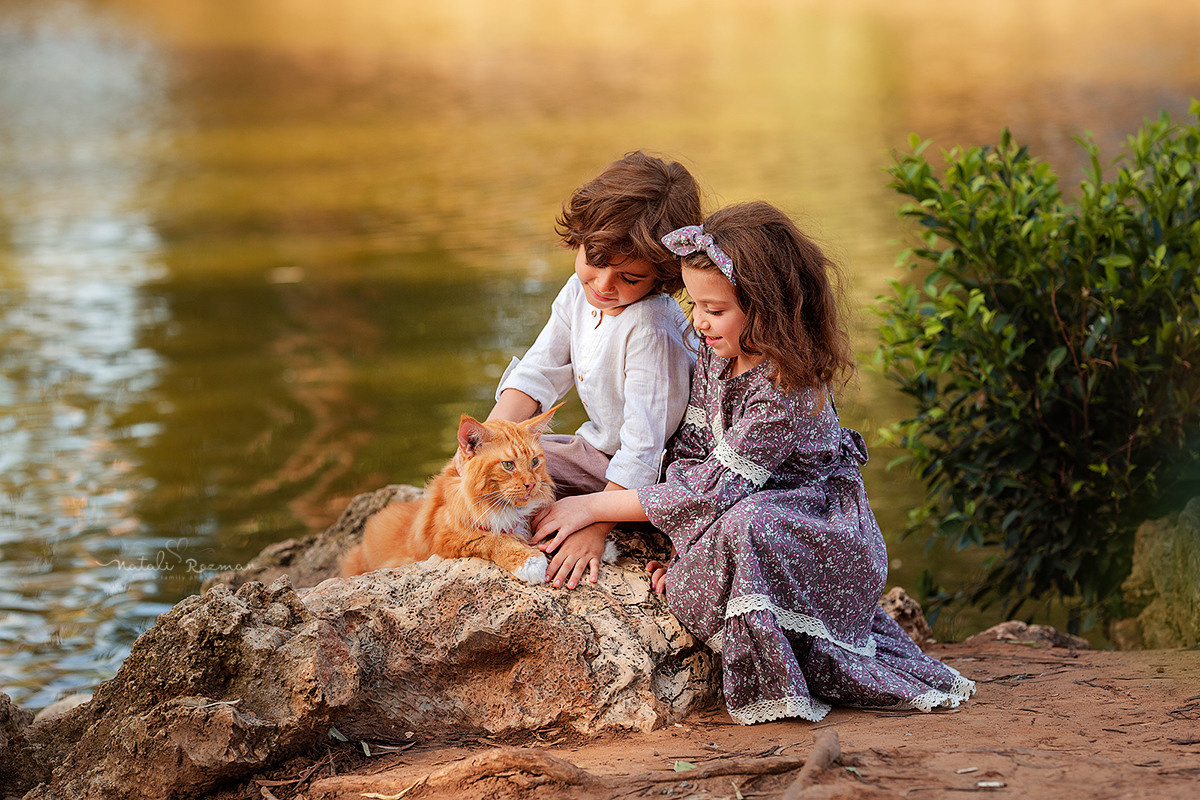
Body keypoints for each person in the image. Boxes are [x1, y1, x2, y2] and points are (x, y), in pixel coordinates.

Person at [533, 201, 976, 724]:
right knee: (730, 515)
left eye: (714, 310)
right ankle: (708, 571)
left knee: (748, 521)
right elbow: (692, 454)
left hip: (815, 524)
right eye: (695, 305)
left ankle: (791, 674)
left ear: (765, 309)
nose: (698, 321)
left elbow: (714, 491)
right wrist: (685, 547)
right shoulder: (715, 353)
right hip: (741, 502)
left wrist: (591, 508)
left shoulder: (788, 388)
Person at [478, 151, 701, 590]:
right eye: (595, 260)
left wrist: (595, 527)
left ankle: (593, 517)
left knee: (526, 490)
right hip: (598, 455)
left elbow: (644, 449)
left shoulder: (651, 328)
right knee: (501, 475)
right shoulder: (578, 294)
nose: (603, 285)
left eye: (630, 278)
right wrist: (486, 443)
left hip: (656, 475)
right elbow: (540, 372)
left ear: (662, 276)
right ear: (580, 239)